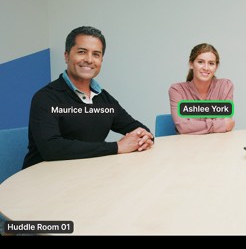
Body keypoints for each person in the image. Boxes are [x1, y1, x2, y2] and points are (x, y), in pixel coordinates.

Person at [22, 26, 154, 169]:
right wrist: (116, 147)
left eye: (96, 54)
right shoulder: (46, 98)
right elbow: (52, 149)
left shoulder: (104, 99)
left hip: (85, 174)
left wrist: (145, 138)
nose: (89, 60)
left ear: (101, 60)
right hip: (42, 179)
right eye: (82, 52)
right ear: (66, 56)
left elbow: (139, 129)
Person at [168, 43, 235, 134]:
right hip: (187, 145)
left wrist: (194, 125)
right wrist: (219, 125)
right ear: (191, 64)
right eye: (200, 62)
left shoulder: (225, 86)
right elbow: (183, 127)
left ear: (216, 67)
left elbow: (226, 120)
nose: (206, 68)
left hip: (218, 144)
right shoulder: (177, 90)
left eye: (211, 63)